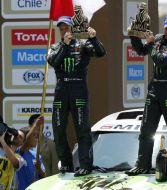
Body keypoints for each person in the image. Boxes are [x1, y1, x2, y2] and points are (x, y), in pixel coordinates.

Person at [126, 15, 167, 177]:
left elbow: (161, 60)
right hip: (154, 90)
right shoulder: (159, 39)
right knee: (146, 129)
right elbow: (141, 50)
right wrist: (133, 36)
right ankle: (142, 165)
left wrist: (152, 43)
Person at [47, 16, 106, 176]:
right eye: (61, 28)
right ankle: (66, 164)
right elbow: (53, 61)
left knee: (82, 128)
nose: (64, 30)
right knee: (58, 129)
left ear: (73, 28)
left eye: (67, 27)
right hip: (61, 89)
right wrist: (65, 46)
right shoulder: (55, 46)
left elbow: (101, 53)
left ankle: (85, 165)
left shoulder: (83, 44)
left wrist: (94, 38)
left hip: (78, 88)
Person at [16, 116, 45, 190]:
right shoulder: (19, 152)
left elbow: (44, 177)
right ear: (26, 138)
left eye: (37, 136)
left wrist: (39, 169)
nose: (37, 138)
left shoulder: (36, 155)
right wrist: (35, 125)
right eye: (34, 135)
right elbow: (26, 142)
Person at [0, 121, 25, 190]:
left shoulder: (19, 158)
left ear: (22, 143)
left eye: (20, 137)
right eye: (16, 134)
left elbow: (15, 163)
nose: (16, 136)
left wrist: (2, 140)